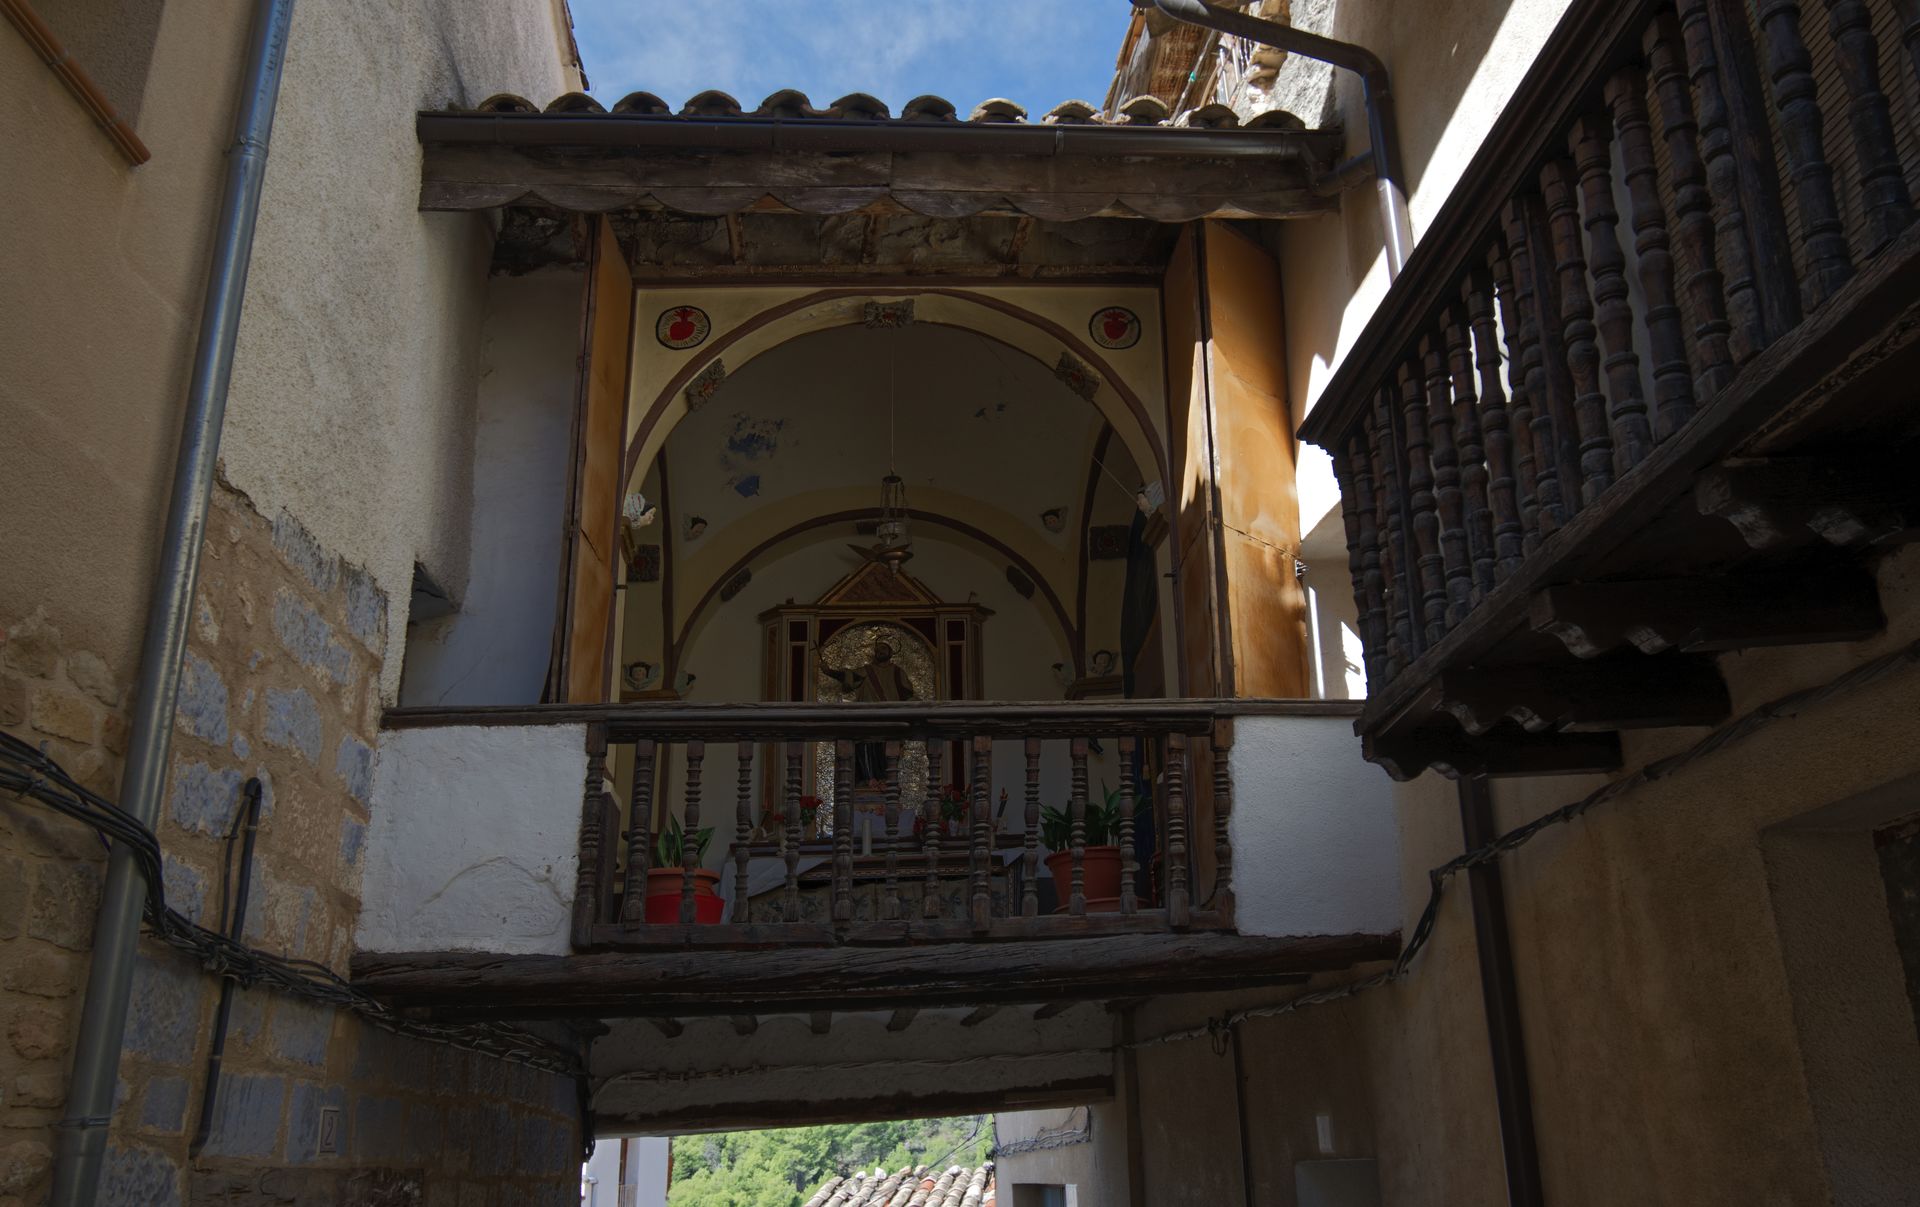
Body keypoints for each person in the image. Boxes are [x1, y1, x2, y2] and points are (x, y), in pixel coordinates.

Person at [820, 639, 915, 785]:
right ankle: (869, 780)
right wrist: (829, 672)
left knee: (887, 752)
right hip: (868, 718)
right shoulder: (867, 670)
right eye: (878, 649)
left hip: (890, 719)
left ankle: (884, 781)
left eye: (884, 648)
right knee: (865, 748)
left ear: (890, 652)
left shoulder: (897, 672)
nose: (880, 651)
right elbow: (848, 676)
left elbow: (908, 693)